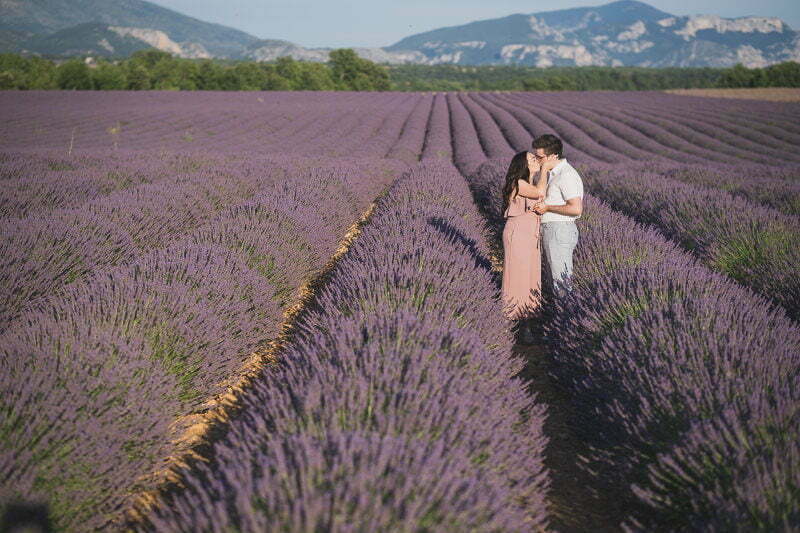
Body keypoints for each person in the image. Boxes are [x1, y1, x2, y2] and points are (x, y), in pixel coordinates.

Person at [500, 151, 548, 342]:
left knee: (530, 278)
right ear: (523, 164)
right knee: (515, 278)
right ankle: (507, 324)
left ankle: (526, 324)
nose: (536, 160)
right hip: (518, 233)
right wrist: (544, 169)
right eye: (532, 159)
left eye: (536, 158)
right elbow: (540, 193)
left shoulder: (529, 183)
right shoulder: (518, 183)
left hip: (530, 235)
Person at [530, 134, 584, 296]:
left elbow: (576, 209)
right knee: (555, 280)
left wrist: (547, 207)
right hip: (552, 230)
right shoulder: (552, 173)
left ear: (553, 156)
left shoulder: (566, 175)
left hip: (559, 230)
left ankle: (566, 311)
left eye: (539, 157)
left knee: (561, 282)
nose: (537, 160)